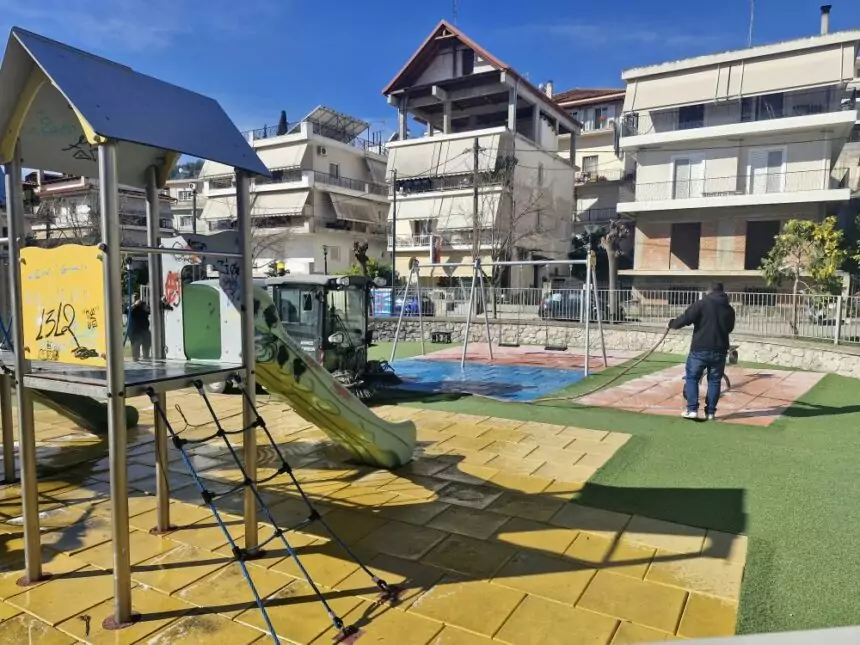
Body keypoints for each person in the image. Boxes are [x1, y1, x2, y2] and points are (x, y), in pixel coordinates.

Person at [668, 283, 736, 420]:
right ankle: (710, 413)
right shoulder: (729, 309)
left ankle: (692, 409)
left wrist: (672, 324)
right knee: (715, 381)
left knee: (692, 378)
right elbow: (729, 329)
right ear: (723, 292)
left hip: (700, 349)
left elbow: (686, 318)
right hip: (720, 350)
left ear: (709, 291)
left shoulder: (702, 304)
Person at [128, 295, 151, 361]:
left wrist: (144, 306)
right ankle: (135, 357)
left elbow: (149, 310)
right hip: (135, 330)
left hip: (144, 329)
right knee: (137, 342)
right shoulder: (133, 308)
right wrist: (135, 305)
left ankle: (146, 356)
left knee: (147, 340)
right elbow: (128, 310)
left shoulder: (143, 307)